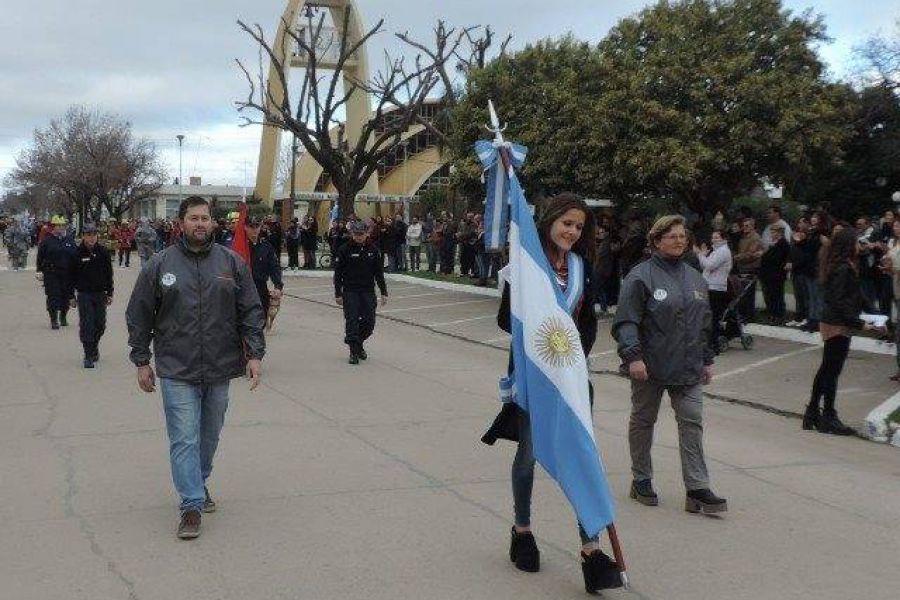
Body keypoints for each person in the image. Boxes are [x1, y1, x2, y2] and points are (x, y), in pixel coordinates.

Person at [481, 193, 621, 593]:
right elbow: (506, 319)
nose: (572, 232)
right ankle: (522, 530)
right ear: (548, 221)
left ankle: (591, 549)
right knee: (527, 455)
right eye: (567, 223)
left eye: (579, 226)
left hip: (571, 377)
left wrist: (574, 359)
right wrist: (534, 305)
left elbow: (589, 322)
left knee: (581, 453)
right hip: (532, 375)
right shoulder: (526, 265)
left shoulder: (582, 268)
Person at [125, 196, 265, 539]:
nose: (200, 224)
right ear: (181, 223)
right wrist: (142, 360)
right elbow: (139, 314)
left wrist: (255, 354)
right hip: (177, 368)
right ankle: (190, 505)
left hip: (220, 368)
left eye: (205, 218)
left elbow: (250, 311)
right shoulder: (160, 264)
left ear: (213, 223)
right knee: (184, 439)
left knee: (208, 437)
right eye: (193, 218)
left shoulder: (232, 263)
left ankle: (198, 484)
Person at [613, 215, 727, 515]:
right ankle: (641, 479)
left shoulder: (695, 278)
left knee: (692, 423)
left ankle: (697, 488)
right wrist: (633, 356)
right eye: (672, 236)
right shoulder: (640, 276)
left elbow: (704, 324)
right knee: (643, 422)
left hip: (688, 370)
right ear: (656, 241)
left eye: (682, 236)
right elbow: (627, 321)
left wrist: (706, 360)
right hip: (650, 368)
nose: (679, 240)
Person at [803, 227, 882, 434]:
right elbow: (839, 301)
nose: (860, 246)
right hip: (837, 324)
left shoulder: (843, 265)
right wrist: (859, 323)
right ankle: (828, 416)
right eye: (857, 242)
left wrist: (875, 314)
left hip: (835, 321)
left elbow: (857, 296)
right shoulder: (842, 268)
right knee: (832, 371)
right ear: (848, 245)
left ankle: (812, 412)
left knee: (827, 368)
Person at [333, 220, 388, 364]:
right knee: (352, 320)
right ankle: (353, 352)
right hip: (350, 290)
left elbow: (379, 273)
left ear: (366, 234)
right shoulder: (344, 249)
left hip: (368, 290)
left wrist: (384, 292)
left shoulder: (373, 250)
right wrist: (338, 293)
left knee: (369, 321)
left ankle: (358, 343)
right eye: (356, 234)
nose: (358, 237)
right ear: (352, 234)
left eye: (361, 234)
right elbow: (338, 274)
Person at [68, 223, 113, 368]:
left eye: (94, 235)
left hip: (100, 293)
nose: (92, 238)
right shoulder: (76, 253)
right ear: (83, 236)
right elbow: (70, 276)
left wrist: (110, 292)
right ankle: (88, 355)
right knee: (87, 324)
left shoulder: (103, 252)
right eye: (88, 235)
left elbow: (108, 274)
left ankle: (94, 346)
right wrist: (71, 296)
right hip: (84, 294)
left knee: (100, 325)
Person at [36, 215, 78, 330]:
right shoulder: (47, 241)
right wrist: (39, 270)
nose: (60, 228)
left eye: (62, 225)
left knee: (66, 295)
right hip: (51, 272)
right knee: (53, 296)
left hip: (67, 273)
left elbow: (75, 256)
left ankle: (63, 317)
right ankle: (54, 319)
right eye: (58, 225)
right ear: (53, 227)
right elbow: (40, 257)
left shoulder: (69, 240)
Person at [696, 230, 732, 350]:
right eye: (713, 237)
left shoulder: (723, 251)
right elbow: (705, 266)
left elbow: (710, 265)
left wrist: (700, 255)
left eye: (716, 237)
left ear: (723, 239)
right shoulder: (716, 251)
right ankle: (708, 341)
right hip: (709, 286)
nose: (713, 240)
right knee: (708, 315)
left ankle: (713, 343)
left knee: (714, 316)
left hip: (716, 288)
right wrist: (703, 255)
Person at [245, 216, 284, 318]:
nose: (254, 230)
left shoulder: (266, 247)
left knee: (260, 321)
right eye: (251, 227)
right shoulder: (240, 247)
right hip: (242, 288)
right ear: (245, 227)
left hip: (260, 288)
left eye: (257, 226)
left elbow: (274, 267)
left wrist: (278, 286)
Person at [732, 218, 764, 322]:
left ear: (753, 226)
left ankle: (749, 317)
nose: (744, 228)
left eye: (747, 226)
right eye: (743, 225)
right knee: (742, 294)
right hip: (742, 268)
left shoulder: (755, 238)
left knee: (748, 294)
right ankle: (743, 315)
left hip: (751, 268)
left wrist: (737, 257)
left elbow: (751, 254)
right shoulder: (743, 237)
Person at [759, 224, 790, 324]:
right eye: (771, 232)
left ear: (779, 233)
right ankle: (772, 314)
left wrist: (764, 255)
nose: (771, 234)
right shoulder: (773, 244)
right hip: (769, 274)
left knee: (777, 296)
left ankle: (778, 316)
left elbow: (777, 258)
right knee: (770, 295)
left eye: (773, 232)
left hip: (776, 274)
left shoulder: (783, 244)